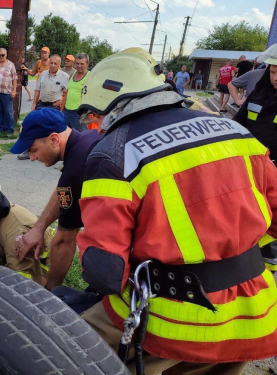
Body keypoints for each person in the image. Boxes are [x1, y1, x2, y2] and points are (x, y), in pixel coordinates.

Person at [75, 47, 277, 375]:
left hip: (174, 319)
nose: (95, 125)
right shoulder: (239, 134)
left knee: (66, 345)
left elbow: (105, 273)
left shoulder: (113, 153)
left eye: (95, 115)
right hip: (252, 313)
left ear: (114, 105)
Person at [11, 108, 104, 290]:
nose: (31, 158)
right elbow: (63, 190)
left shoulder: (76, 167)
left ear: (54, 139)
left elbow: (64, 241)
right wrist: (39, 227)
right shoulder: (88, 138)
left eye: (34, 150)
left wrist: (50, 292)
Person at [233, 45, 277, 161]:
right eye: (272, 72)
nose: (275, 78)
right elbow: (238, 121)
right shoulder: (258, 94)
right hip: (251, 158)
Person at [0, 48, 17, 135]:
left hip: (7, 93)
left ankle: (10, 129)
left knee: (8, 112)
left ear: (6, 55)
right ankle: (0, 128)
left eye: (2, 55)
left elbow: (15, 79)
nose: (1, 57)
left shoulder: (11, 65)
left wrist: (14, 91)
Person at [63, 53, 90, 132]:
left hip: (80, 113)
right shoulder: (73, 73)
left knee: (81, 137)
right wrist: (62, 110)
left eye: (82, 64)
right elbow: (67, 93)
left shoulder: (90, 76)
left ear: (87, 64)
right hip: (67, 111)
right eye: (77, 63)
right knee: (67, 136)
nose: (79, 66)